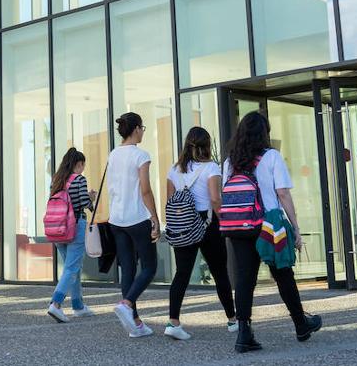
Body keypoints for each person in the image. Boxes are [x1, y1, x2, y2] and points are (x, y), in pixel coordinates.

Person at [223, 111, 322, 352]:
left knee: (245, 280)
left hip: (239, 227)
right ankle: (301, 324)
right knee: (283, 274)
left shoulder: (229, 162)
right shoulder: (272, 157)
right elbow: (283, 194)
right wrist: (296, 227)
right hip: (268, 225)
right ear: (264, 134)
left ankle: (244, 334)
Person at [163, 126, 236, 341]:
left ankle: (173, 322)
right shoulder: (211, 167)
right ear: (207, 146)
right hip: (207, 223)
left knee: (182, 274)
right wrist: (224, 221)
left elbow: (170, 202)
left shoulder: (173, 170)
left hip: (183, 223)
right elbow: (215, 199)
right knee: (219, 272)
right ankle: (233, 320)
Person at [107, 112, 160, 338]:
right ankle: (127, 303)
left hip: (116, 220)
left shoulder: (113, 154)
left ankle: (135, 324)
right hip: (137, 218)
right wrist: (155, 217)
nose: (142, 133)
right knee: (149, 267)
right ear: (136, 128)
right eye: (142, 128)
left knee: (127, 269)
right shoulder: (141, 155)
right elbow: (145, 189)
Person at [46, 148, 97, 322]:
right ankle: (56, 304)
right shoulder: (79, 179)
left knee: (74, 268)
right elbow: (83, 202)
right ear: (78, 164)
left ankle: (78, 306)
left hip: (57, 229)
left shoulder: (57, 180)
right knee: (71, 268)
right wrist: (91, 198)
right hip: (74, 226)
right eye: (83, 164)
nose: (83, 168)